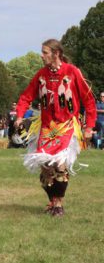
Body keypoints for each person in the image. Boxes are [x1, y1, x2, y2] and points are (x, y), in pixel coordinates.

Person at [15, 39, 96, 217]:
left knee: (60, 166)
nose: (41, 56)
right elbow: (26, 96)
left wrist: (89, 127)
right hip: (46, 127)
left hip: (66, 125)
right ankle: (53, 201)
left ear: (56, 53)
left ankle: (58, 204)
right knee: (45, 168)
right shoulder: (41, 75)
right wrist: (20, 116)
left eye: (45, 52)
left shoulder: (72, 71)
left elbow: (89, 100)